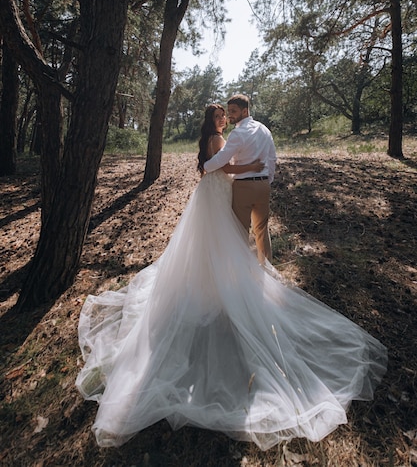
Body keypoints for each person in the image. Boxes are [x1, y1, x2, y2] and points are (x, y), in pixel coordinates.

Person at [76, 103, 387, 450]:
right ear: (213, 120)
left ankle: (218, 283)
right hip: (218, 191)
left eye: (226, 113)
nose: (224, 118)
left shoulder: (220, 136)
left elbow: (223, 166)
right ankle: (220, 288)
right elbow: (224, 168)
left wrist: (248, 167)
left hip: (218, 192)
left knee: (220, 243)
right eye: (220, 114)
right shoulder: (216, 138)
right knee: (220, 243)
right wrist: (255, 166)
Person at [204, 94, 276, 264]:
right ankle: (267, 270)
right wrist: (267, 180)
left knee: (240, 232)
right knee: (262, 231)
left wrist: (205, 166)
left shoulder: (238, 133)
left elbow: (222, 159)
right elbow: (272, 159)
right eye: (229, 111)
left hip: (243, 187)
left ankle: (244, 272)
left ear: (245, 110)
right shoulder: (264, 129)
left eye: (233, 111)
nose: (230, 115)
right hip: (263, 185)